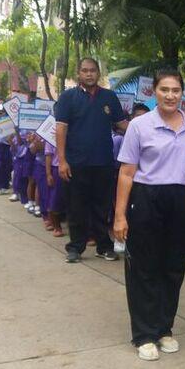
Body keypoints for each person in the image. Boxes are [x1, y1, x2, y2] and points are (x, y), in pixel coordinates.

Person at [113, 69, 185, 361]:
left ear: (182, 93)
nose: (170, 95)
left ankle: (164, 328)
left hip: (181, 200)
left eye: (175, 90)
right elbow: (126, 173)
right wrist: (120, 215)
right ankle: (144, 334)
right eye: (164, 89)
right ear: (154, 92)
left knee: (173, 267)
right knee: (144, 267)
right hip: (147, 198)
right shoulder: (140, 126)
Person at [55, 57, 129, 263]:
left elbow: (122, 124)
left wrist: (146, 129)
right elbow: (61, 129)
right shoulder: (68, 97)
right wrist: (62, 160)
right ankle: (75, 248)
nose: (89, 74)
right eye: (85, 70)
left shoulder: (109, 97)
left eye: (93, 70)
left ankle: (104, 246)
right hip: (76, 163)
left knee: (102, 207)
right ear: (78, 73)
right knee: (76, 208)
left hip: (103, 162)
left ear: (98, 73)